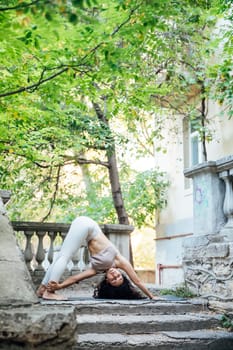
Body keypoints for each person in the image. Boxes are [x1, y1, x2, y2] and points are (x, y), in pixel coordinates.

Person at [36, 216, 157, 300]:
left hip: (83, 225)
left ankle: (42, 289)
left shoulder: (96, 269)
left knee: (61, 258)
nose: (115, 275)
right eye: (119, 276)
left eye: (114, 280)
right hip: (88, 225)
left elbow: (75, 278)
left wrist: (60, 286)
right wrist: (151, 296)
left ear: (107, 281)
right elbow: (137, 281)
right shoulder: (119, 260)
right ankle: (49, 292)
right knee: (64, 257)